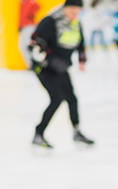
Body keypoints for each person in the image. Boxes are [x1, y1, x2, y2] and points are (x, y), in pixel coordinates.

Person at [29, 0, 94, 148]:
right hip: (44, 68)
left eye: (77, 11)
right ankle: (38, 134)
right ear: (64, 8)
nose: (74, 14)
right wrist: (51, 60)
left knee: (72, 98)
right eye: (71, 10)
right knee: (56, 98)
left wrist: (82, 59)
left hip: (61, 68)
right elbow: (35, 43)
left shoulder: (76, 24)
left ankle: (77, 131)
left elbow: (80, 43)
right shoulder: (50, 21)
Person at [18, 0, 41, 69]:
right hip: (24, 27)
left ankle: (33, 64)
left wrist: (31, 15)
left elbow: (38, 7)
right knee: (23, 46)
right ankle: (31, 64)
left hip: (29, 26)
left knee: (28, 46)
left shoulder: (30, 1)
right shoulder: (23, 2)